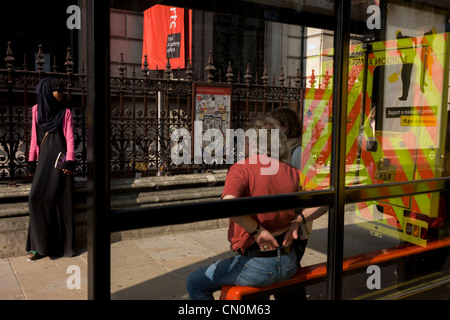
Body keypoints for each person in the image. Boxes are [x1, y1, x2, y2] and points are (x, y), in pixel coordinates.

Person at [186, 116, 301, 300]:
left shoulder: (241, 169)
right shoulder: (294, 173)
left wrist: (257, 230)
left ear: (252, 142)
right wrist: (298, 220)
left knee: (195, 282)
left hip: (254, 264)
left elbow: (228, 205)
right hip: (289, 262)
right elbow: (324, 198)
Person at [268, 107, 328, 299]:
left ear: (284, 127)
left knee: (287, 277)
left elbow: (318, 195)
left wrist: (299, 219)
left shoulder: (300, 152)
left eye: (272, 127)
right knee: (285, 278)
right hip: (282, 224)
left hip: (295, 227)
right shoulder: (282, 151)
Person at [26, 77, 76, 261]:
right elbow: (34, 137)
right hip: (44, 158)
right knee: (35, 198)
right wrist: (31, 160)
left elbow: (70, 138)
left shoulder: (65, 112)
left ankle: (57, 247)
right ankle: (38, 246)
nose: (62, 93)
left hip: (60, 160)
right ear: (48, 91)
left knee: (58, 201)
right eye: (59, 90)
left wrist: (70, 160)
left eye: (64, 90)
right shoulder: (36, 110)